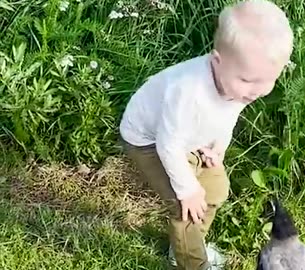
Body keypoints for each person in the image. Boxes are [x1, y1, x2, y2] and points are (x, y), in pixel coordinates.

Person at [119, 0, 293, 269]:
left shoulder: (239, 82)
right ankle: (191, 263)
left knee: (215, 190)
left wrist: (218, 147)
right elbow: (169, 145)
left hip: (190, 139)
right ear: (217, 61)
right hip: (150, 141)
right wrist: (187, 188)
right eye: (248, 81)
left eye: (268, 81)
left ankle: (188, 245)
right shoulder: (188, 91)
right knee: (185, 206)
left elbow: (228, 114)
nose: (256, 91)